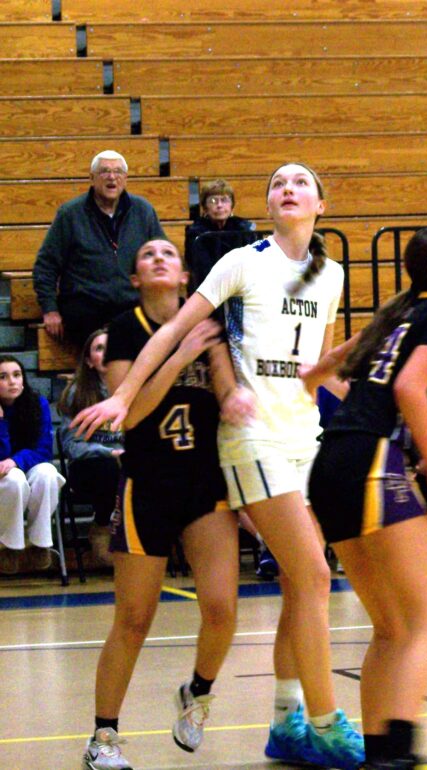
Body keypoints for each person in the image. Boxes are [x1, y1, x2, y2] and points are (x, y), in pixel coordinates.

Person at [72, 163, 363, 769]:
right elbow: (178, 330)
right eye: (277, 182)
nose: (287, 188)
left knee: (289, 588)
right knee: (309, 579)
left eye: (300, 182)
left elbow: (309, 366)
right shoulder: (241, 263)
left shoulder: (330, 274)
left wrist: (364, 396)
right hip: (235, 449)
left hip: (292, 442)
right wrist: (123, 397)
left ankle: (279, 719)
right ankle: (327, 721)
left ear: (322, 204)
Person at [302, 226, 427, 769]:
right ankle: (400, 756)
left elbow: (320, 369)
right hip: (372, 461)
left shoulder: (400, 315)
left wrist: (298, 393)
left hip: (332, 462)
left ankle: (379, 754)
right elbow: (408, 389)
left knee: (393, 627)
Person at [82, 239, 240, 769]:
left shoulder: (210, 323)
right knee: (134, 619)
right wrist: (181, 356)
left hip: (205, 485)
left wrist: (235, 389)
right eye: (147, 255)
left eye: (167, 255)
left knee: (221, 609)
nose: (157, 259)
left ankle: (196, 695)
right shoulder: (124, 328)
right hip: (147, 485)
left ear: (185, 274)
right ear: (134, 279)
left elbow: (226, 395)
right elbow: (132, 412)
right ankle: (103, 737)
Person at [33, 150, 165, 347]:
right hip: (85, 308)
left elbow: (162, 254)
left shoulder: (143, 210)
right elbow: (46, 266)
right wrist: (50, 309)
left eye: (118, 171)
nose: (112, 177)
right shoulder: (70, 214)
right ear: (92, 178)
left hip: (132, 304)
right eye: (104, 171)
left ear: (126, 178)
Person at [56, 327, 124, 566]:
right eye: (99, 348)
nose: (107, 353)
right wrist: (110, 452)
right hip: (89, 467)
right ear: (89, 361)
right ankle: (103, 525)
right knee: (109, 468)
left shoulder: (132, 390)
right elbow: (71, 446)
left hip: (127, 461)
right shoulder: (77, 392)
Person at [0, 356, 64, 575]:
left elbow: (44, 451)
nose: (12, 381)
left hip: (28, 465)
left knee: (48, 473)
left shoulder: (38, 403)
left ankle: (41, 543)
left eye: (17, 375)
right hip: (4, 474)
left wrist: (16, 461)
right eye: (3, 377)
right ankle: (10, 547)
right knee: (14, 479)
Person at [184, 179, 257, 290]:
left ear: (232, 205)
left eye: (224, 200)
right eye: (213, 201)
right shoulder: (195, 233)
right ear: (205, 207)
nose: (219, 205)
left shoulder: (244, 229)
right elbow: (200, 270)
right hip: (207, 289)